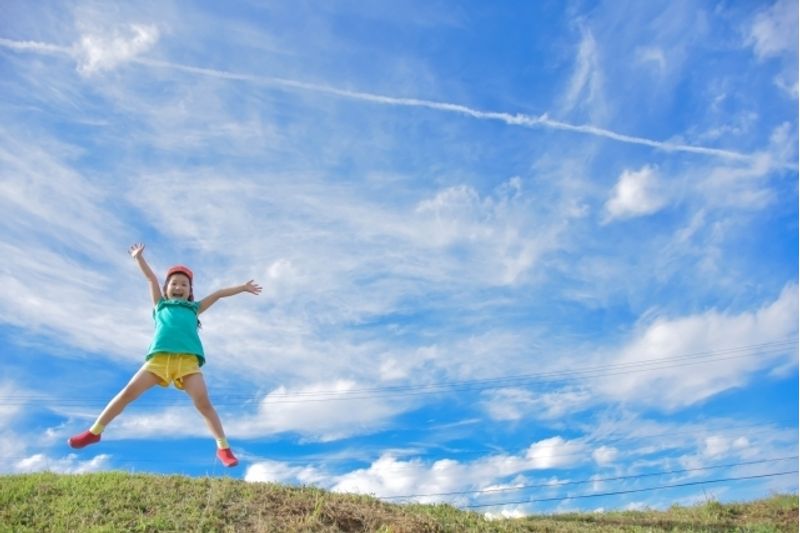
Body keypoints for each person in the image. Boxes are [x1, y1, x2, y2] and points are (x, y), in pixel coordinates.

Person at [68, 243, 262, 467]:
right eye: (174, 283)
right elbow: (151, 279)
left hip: (187, 362)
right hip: (158, 360)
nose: (179, 287)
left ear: (190, 291)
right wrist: (138, 258)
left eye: (184, 284)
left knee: (203, 403)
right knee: (127, 393)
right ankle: (95, 432)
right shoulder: (160, 305)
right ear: (167, 287)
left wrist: (243, 287)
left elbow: (218, 294)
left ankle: (223, 448)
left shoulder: (194, 308)